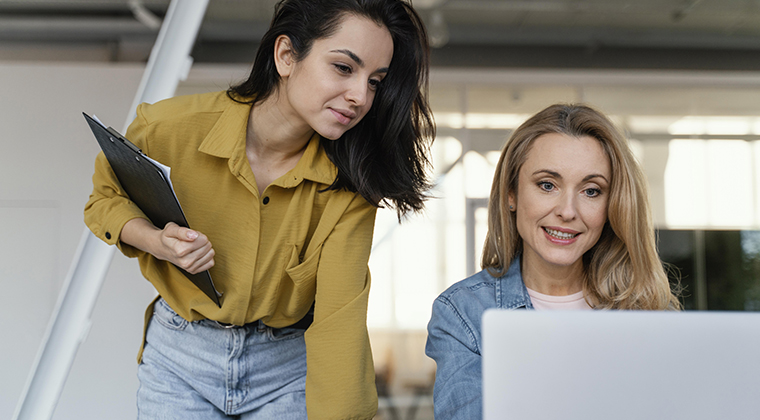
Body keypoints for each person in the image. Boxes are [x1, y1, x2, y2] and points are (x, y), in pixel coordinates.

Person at [84, 0, 433, 418]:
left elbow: (339, 319)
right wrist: (155, 241)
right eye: (344, 68)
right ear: (286, 55)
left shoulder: (351, 185)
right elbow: (105, 199)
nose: (360, 95)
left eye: (375, 81)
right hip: (179, 360)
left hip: (286, 370)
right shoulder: (167, 128)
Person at [425, 103, 681, 419]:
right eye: (547, 185)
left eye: (591, 190)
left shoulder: (649, 311)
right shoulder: (463, 314)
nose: (568, 210)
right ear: (511, 193)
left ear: (612, 205)